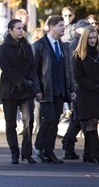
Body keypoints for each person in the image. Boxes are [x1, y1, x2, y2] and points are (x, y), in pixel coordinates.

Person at [32, 15, 75, 163]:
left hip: (60, 90)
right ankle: (38, 147)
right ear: (52, 27)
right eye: (61, 25)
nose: (64, 28)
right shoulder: (39, 45)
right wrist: (37, 89)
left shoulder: (63, 46)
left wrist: (71, 89)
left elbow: (68, 70)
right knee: (48, 119)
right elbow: (34, 71)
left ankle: (49, 152)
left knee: (54, 121)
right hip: (46, 90)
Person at [0, 19, 39, 164]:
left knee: (29, 120)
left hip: (26, 90)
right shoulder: (3, 48)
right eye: (18, 28)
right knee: (10, 124)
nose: (21, 31)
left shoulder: (27, 46)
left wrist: (31, 81)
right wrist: (20, 81)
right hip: (9, 90)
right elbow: (6, 68)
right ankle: (14, 153)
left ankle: (27, 153)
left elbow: (33, 66)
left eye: (22, 28)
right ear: (10, 30)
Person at [71, 27, 99, 162]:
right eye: (90, 38)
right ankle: (96, 153)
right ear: (85, 39)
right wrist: (93, 86)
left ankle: (88, 154)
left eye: (95, 37)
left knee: (92, 123)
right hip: (86, 93)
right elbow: (78, 76)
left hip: (97, 92)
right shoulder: (78, 55)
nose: (93, 40)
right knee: (91, 121)